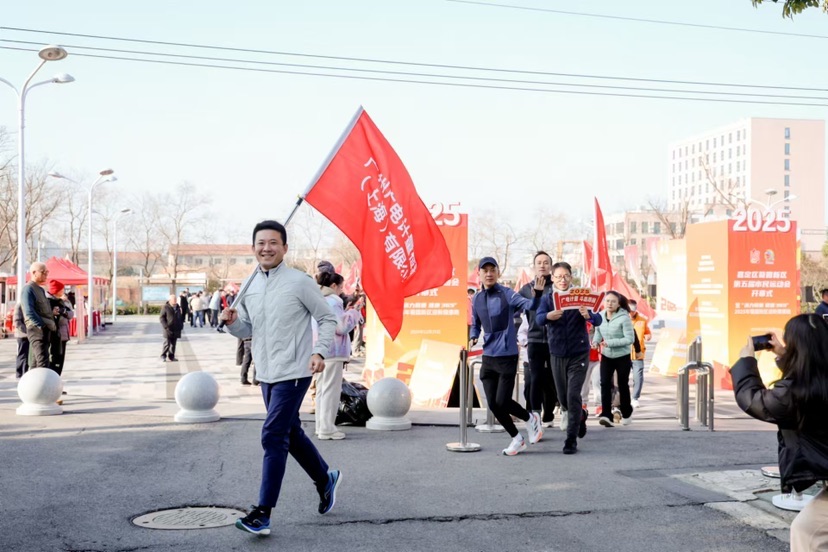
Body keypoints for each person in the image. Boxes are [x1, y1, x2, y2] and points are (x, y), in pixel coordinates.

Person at [221, 220, 339, 537]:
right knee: (291, 433)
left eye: (274, 242)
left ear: (285, 248)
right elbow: (247, 329)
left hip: (296, 371)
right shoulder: (249, 286)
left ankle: (262, 513)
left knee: (273, 435)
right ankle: (325, 478)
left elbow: (327, 318)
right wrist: (233, 323)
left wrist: (320, 351)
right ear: (253, 248)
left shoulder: (299, 282)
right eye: (261, 243)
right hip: (267, 373)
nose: (267, 248)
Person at [731, 314, 828, 551]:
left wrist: (746, 361)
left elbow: (754, 400)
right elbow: (810, 372)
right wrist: (785, 356)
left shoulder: (795, 393)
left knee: (807, 532)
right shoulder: (815, 382)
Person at [469, 256, 545, 456]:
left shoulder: (508, 294)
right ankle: (517, 438)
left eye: (492, 269)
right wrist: (473, 336)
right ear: (479, 274)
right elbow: (475, 323)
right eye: (484, 270)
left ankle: (530, 419)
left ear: (498, 272)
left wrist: (537, 295)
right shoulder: (476, 298)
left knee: (503, 401)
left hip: (507, 355)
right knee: (493, 404)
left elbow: (530, 306)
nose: (489, 273)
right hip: (488, 357)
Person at [535, 261, 602, 454]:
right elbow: (538, 318)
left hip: (578, 352)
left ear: (571, 277)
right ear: (552, 278)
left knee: (573, 395)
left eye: (566, 276)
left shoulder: (581, 295)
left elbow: (598, 319)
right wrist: (548, 316)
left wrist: (588, 315)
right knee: (563, 398)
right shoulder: (548, 298)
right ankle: (579, 414)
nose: (562, 280)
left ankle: (570, 439)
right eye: (558, 276)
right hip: (556, 352)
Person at [314, 271, 363, 440]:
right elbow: (341, 327)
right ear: (333, 286)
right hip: (333, 350)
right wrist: (355, 312)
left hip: (320, 350)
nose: (342, 291)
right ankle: (327, 428)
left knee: (322, 390)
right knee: (331, 391)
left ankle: (321, 426)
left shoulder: (318, 298)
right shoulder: (333, 302)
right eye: (341, 287)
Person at [518, 251, 558, 428]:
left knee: (551, 380)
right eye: (539, 262)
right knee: (533, 380)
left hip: (554, 340)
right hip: (533, 340)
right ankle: (534, 416)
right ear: (534, 266)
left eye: (546, 262)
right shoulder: (526, 289)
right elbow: (517, 314)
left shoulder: (557, 287)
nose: (542, 265)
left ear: (551, 266)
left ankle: (549, 412)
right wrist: (521, 337)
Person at [592, 291, 636, 428]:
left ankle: (626, 412)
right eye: (607, 301)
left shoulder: (624, 318)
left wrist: (611, 342)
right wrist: (595, 342)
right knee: (604, 383)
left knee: (622, 384)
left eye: (613, 301)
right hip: (606, 355)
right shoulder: (600, 316)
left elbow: (630, 339)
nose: (609, 304)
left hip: (622, 356)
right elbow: (598, 333)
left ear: (618, 304)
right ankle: (606, 415)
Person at [21, 262, 56, 369]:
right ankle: (40, 385)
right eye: (43, 272)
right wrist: (41, 325)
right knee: (42, 362)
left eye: (47, 272)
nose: (46, 274)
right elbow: (29, 311)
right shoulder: (28, 289)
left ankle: (32, 384)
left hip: (44, 329)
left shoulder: (40, 289)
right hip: (36, 330)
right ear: (34, 273)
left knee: (37, 362)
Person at [46, 280, 74, 375]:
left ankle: (57, 381)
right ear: (56, 291)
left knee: (60, 360)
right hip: (52, 335)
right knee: (54, 359)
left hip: (63, 335)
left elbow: (71, 314)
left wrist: (64, 311)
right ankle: (53, 381)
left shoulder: (61, 301)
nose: (63, 292)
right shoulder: (47, 301)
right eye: (61, 290)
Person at [628, 299, 652, 408]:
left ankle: (635, 398)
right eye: (629, 310)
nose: (630, 313)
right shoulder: (621, 320)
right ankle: (622, 399)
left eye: (632, 310)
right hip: (624, 354)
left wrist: (648, 336)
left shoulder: (642, 320)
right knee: (621, 378)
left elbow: (647, 332)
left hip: (638, 354)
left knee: (638, 377)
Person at [160, 294, 183, 362]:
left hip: (176, 328)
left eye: (175, 299)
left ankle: (171, 356)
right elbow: (161, 317)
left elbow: (180, 317)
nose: (175, 300)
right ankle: (163, 355)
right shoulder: (165, 307)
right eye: (173, 299)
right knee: (167, 343)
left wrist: (181, 325)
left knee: (173, 344)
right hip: (168, 328)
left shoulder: (178, 307)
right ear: (170, 300)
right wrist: (165, 326)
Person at [13, 303, 29, 379]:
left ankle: (25, 372)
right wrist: (26, 331)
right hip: (21, 335)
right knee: (22, 354)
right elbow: (17, 322)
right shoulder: (19, 306)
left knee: (27, 355)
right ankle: (19, 373)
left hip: (29, 335)